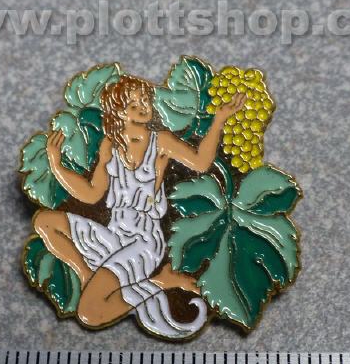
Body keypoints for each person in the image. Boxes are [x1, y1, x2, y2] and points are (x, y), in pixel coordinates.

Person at [34, 75, 245, 338]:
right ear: (119, 112)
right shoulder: (110, 145)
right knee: (44, 222)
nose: (144, 106)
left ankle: (161, 281)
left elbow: (201, 162)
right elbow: (90, 194)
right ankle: (87, 275)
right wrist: (57, 166)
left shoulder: (160, 141)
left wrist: (219, 120)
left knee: (89, 312)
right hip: (114, 234)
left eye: (145, 100)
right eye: (134, 104)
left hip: (143, 241)